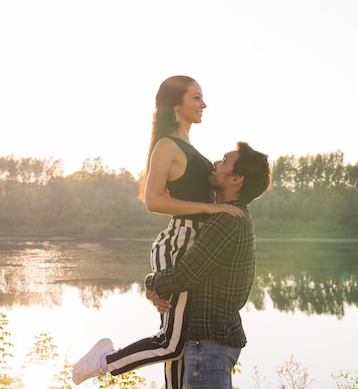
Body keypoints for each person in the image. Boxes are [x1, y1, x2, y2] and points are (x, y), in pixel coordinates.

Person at [72, 76, 242, 388]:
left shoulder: (188, 146)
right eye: (196, 98)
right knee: (172, 343)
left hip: (192, 243)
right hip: (179, 242)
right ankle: (103, 361)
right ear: (176, 104)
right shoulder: (167, 145)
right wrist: (209, 209)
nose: (203, 104)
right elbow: (152, 200)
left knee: (180, 346)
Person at [144, 141, 271, 389]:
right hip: (213, 344)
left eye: (224, 160)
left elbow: (185, 275)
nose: (216, 163)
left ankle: (105, 362)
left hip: (209, 346)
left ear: (236, 179)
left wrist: (151, 282)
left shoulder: (226, 221)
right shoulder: (230, 216)